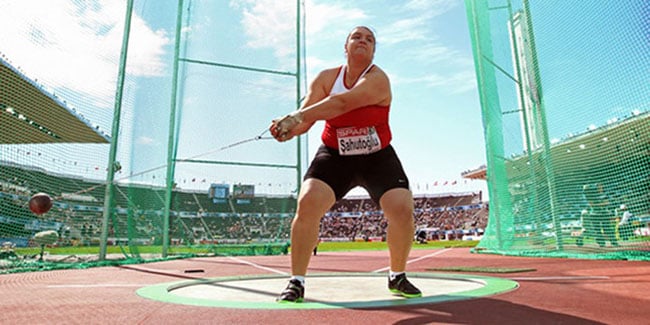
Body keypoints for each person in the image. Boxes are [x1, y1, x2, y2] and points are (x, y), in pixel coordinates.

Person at [270, 26, 421, 303]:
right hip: (335, 155)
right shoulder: (326, 78)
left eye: (369, 39)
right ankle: (296, 281)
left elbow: (341, 104)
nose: (363, 40)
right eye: (357, 37)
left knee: (401, 207)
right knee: (308, 202)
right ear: (346, 46)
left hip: (377, 156)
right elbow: (306, 119)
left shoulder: (378, 79)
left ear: (373, 50)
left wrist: (295, 117)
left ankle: (396, 275)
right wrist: (289, 129)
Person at [582, 183, 618, 247]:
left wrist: (600, 204)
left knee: (607, 229)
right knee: (597, 230)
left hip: (604, 213)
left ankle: (614, 242)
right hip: (594, 214)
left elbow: (607, 202)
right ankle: (601, 243)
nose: (600, 188)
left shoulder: (605, 194)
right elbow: (592, 204)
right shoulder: (591, 195)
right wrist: (601, 204)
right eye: (598, 187)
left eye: (601, 186)